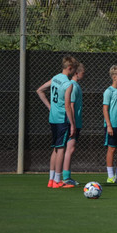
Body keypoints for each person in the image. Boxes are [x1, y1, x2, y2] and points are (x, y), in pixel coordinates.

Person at [37, 56, 77, 188]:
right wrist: (72, 124)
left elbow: (40, 90)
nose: (74, 72)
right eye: (74, 69)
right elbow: (67, 106)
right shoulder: (68, 84)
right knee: (60, 149)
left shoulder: (55, 78)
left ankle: (51, 179)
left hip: (53, 118)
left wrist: (50, 107)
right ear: (70, 68)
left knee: (55, 148)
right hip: (61, 119)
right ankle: (58, 180)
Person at [63, 62, 85, 186]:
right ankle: (66, 177)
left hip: (76, 122)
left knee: (71, 148)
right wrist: (73, 124)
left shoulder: (76, 86)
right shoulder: (73, 86)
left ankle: (66, 176)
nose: (84, 75)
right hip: (73, 123)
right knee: (70, 148)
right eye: (82, 73)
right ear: (76, 73)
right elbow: (70, 105)